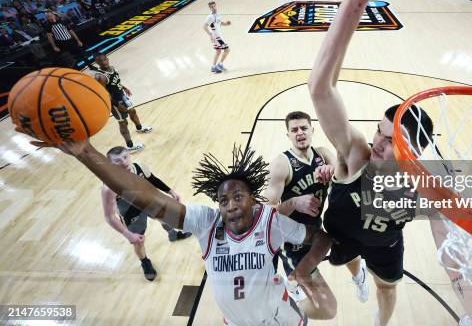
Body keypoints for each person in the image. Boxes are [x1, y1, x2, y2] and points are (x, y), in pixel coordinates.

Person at [39, 140, 336, 325]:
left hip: (280, 320)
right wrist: (86, 153)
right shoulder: (206, 222)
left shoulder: (269, 220)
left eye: (238, 198)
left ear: (252, 201)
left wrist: (305, 269)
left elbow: (320, 237)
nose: (230, 205)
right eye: (223, 200)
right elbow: (151, 200)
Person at [307, 0, 436, 326]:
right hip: (341, 233)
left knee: (388, 288)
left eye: (389, 139)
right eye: (379, 131)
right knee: (337, 261)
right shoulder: (358, 156)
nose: (377, 141)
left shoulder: (420, 179)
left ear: (413, 152)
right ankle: (355, 273)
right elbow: (320, 89)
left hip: (386, 243)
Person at [264, 111, 349, 305]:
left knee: (348, 243)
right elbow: (266, 214)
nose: (300, 132)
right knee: (309, 291)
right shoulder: (281, 164)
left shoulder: (323, 154)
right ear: (288, 135)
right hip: (289, 237)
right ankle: (292, 288)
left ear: (312, 130)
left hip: (315, 227)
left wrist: (333, 171)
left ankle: (291, 284)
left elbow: (346, 177)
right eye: (294, 130)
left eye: (303, 128)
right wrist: (294, 202)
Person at [102, 146, 192, 281]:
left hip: (148, 201)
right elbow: (109, 216)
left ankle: (173, 235)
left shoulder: (139, 167)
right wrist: (127, 234)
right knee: (138, 241)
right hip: (131, 213)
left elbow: (153, 179)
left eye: (125, 157)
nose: (124, 162)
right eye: (117, 161)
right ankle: (145, 262)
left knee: (165, 219)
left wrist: (171, 191)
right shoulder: (109, 186)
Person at [90, 53, 152, 152]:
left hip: (121, 95)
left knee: (132, 111)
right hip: (114, 102)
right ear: (97, 63)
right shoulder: (100, 77)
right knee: (123, 123)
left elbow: (115, 82)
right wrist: (117, 105)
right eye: (100, 61)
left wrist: (124, 87)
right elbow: (105, 94)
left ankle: (139, 128)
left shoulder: (111, 68)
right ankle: (130, 146)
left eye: (104, 59)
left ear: (107, 59)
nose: (103, 62)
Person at [204, 1, 231, 73]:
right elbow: (204, 26)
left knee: (218, 51)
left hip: (218, 36)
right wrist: (210, 35)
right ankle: (220, 65)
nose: (213, 8)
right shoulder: (210, 17)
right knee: (227, 50)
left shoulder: (217, 15)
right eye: (212, 7)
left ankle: (213, 67)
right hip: (217, 37)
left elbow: (219, 23)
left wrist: (226, 23)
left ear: (216, 6)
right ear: (210, 8)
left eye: (214, 6)